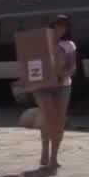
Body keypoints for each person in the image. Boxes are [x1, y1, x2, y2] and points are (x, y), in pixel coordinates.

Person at [33, 15, 75, 169]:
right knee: (48, 115)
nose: (61, 29)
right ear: (53, 26)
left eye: (64, 26)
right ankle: (45, 149)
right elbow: (32, 61)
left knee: (59, 120)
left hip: (62, 85)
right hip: (43, 86)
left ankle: (54, 157)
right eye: (58, 26)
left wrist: (64, 74)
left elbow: (72, 65)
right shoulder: (42, 41)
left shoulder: (69, 45)